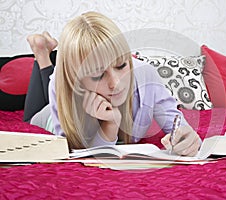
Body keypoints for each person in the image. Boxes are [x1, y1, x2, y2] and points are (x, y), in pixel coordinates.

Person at [24, 11, 201, 156]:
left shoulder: (145, 74)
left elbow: (177, 125)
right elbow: (76, 154)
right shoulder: (60, 83)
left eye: (121, 65)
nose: (116, 83)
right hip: (47, 115)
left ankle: (46, 52)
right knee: (29, 117)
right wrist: (110, 126)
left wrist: (188, 139)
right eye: (98, 76)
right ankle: (41, 53)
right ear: (76, 82)